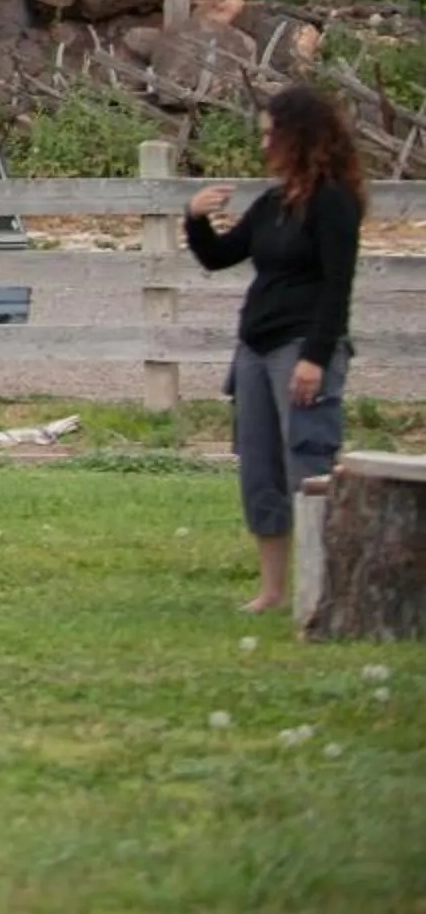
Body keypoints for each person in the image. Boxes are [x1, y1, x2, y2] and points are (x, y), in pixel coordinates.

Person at [185, 82, 363, 615]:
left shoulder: (333, 203)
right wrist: (195, 218)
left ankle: (324, 587)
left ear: (300, 136)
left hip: (302, 348)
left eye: (271, 135)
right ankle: (272, 590)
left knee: (307, 464)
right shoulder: (272, 202)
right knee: (259, 469)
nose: (263, 145)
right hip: (256, 350)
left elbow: (338, 286)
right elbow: (220, 257)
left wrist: (315, 356)